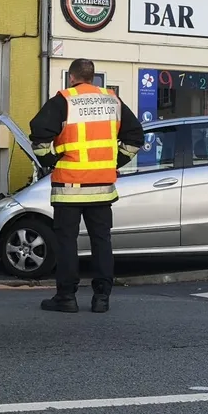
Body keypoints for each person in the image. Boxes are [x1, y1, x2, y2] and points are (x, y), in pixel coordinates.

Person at [29, 58, 144, 314]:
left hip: (69, 187)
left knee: (67, 243)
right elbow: (135, 136)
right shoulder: (111, 100)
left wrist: (49, 160)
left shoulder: (64, 99)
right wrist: (116, 161)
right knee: (101, 242)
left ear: (72, 77)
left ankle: (66, 298)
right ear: (93, 78)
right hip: (102, 187)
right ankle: (101, 298)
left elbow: (39, 131)